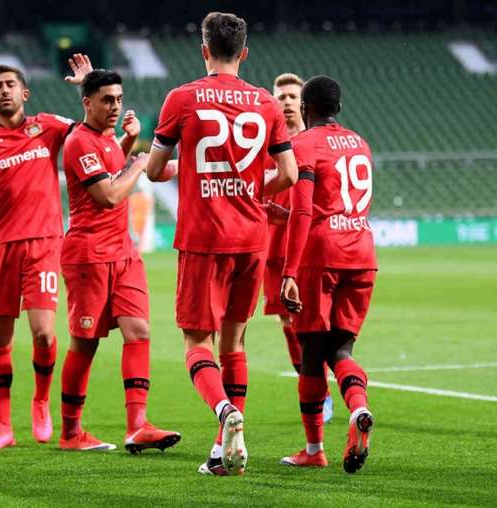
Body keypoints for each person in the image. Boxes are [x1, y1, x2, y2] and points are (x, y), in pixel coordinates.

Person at [145, 12, 297, 475]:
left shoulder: (181, 99)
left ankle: (225, 413)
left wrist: (186, 173)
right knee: (234, 341)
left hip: (204, 237)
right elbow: (288, 175)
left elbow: (153, 171)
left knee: (196, 342)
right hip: (253, 239)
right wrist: (252, 188)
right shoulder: (267, 104)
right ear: (245, 53)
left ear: (204, 50)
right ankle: (221, 449)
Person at [0, 56, 91, 450]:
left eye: (11, 84)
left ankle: (41, 402)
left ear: (25, 93)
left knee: (45, 335)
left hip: (44, 243)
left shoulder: (46, 126)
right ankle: (2, 427)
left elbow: (88, 131)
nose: (5, 90)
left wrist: (84, 86)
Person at [58, 69, 181, 453]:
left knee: (139, 331)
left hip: (124, 253)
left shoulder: (109, 139)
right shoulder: (78, 142)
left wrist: (128, 145)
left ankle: (138, 425)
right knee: (85, 344)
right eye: (106, 100)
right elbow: (109, 196)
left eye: (119, 98)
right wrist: (138, 163)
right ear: (87, 103)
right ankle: (70, 433)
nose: (115, 106)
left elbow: (114, 168)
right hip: (88, 256)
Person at [279, 75, 376, 473]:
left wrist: (289, 272)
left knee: (311, 355)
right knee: (342, 350)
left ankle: (314, 448)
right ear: (339, 107)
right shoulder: (361, 143)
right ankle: (359, 409)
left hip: (320, 256)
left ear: (305, 107)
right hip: (362, 250)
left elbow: (306, 212)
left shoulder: (302, 145)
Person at [263, 73, 334, 424]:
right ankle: (315, 389)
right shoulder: (266, 146)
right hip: (272, 252)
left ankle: (320, 394)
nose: (287, 102)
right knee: (287, 322)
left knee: (311, 325)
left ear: (304, 103)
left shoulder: (315, 145)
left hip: (309, 251)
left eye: (293, 96)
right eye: (282, 97)